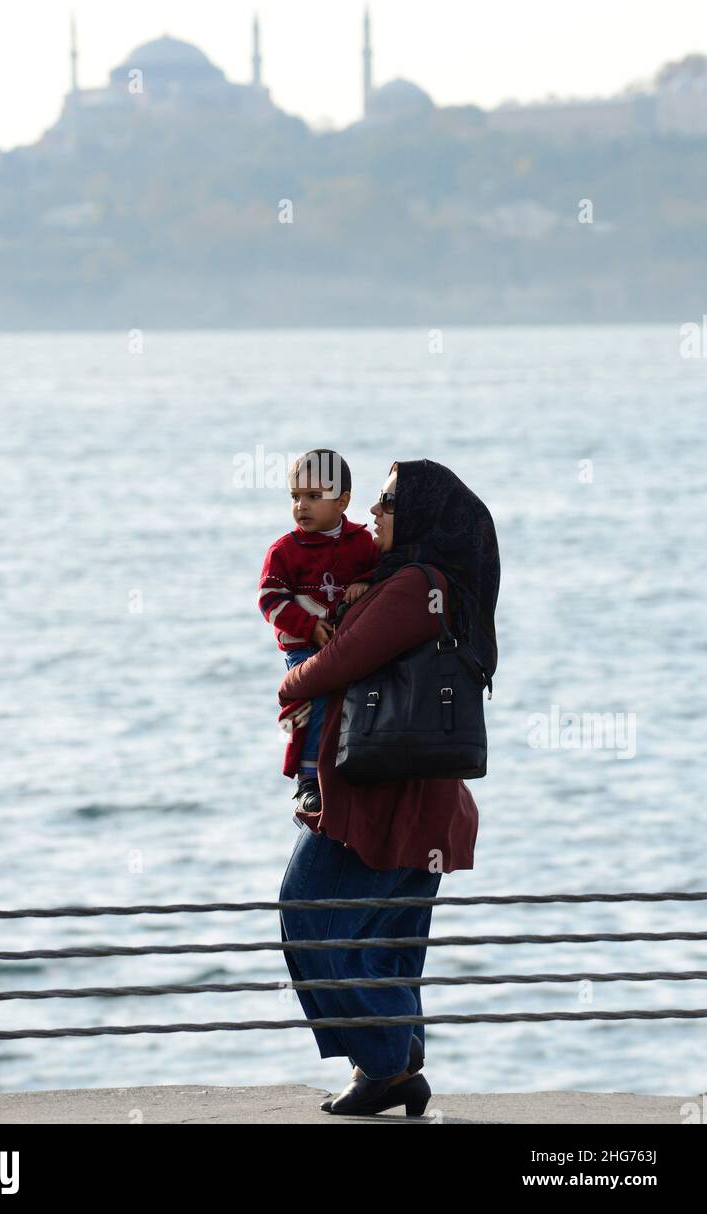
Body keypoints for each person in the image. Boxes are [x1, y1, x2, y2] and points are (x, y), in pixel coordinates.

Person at [277, 457, 500, 1118]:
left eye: (386, 501)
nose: (371, 512)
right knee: (386, 943)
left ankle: (386, 1064)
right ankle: (392, 1066)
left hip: (382, 799)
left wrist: (288, 685)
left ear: (421, 515)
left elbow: (343, 660)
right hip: (423, 795)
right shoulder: (423, 581)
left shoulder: (413, 585)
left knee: (305, 913)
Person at [257, 448, 379, 813]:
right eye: (295, 497)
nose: (301, 506)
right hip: (303, 648)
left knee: (359, 699)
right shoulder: (284, 551)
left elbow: (385, 574)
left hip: (349, 644)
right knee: (316, 703)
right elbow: (270, 600)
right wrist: (308, 627)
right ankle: (308, 780)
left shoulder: (361, 544)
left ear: (342, 501)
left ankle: (355, 765)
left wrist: (365, 582)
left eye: (313, 496)